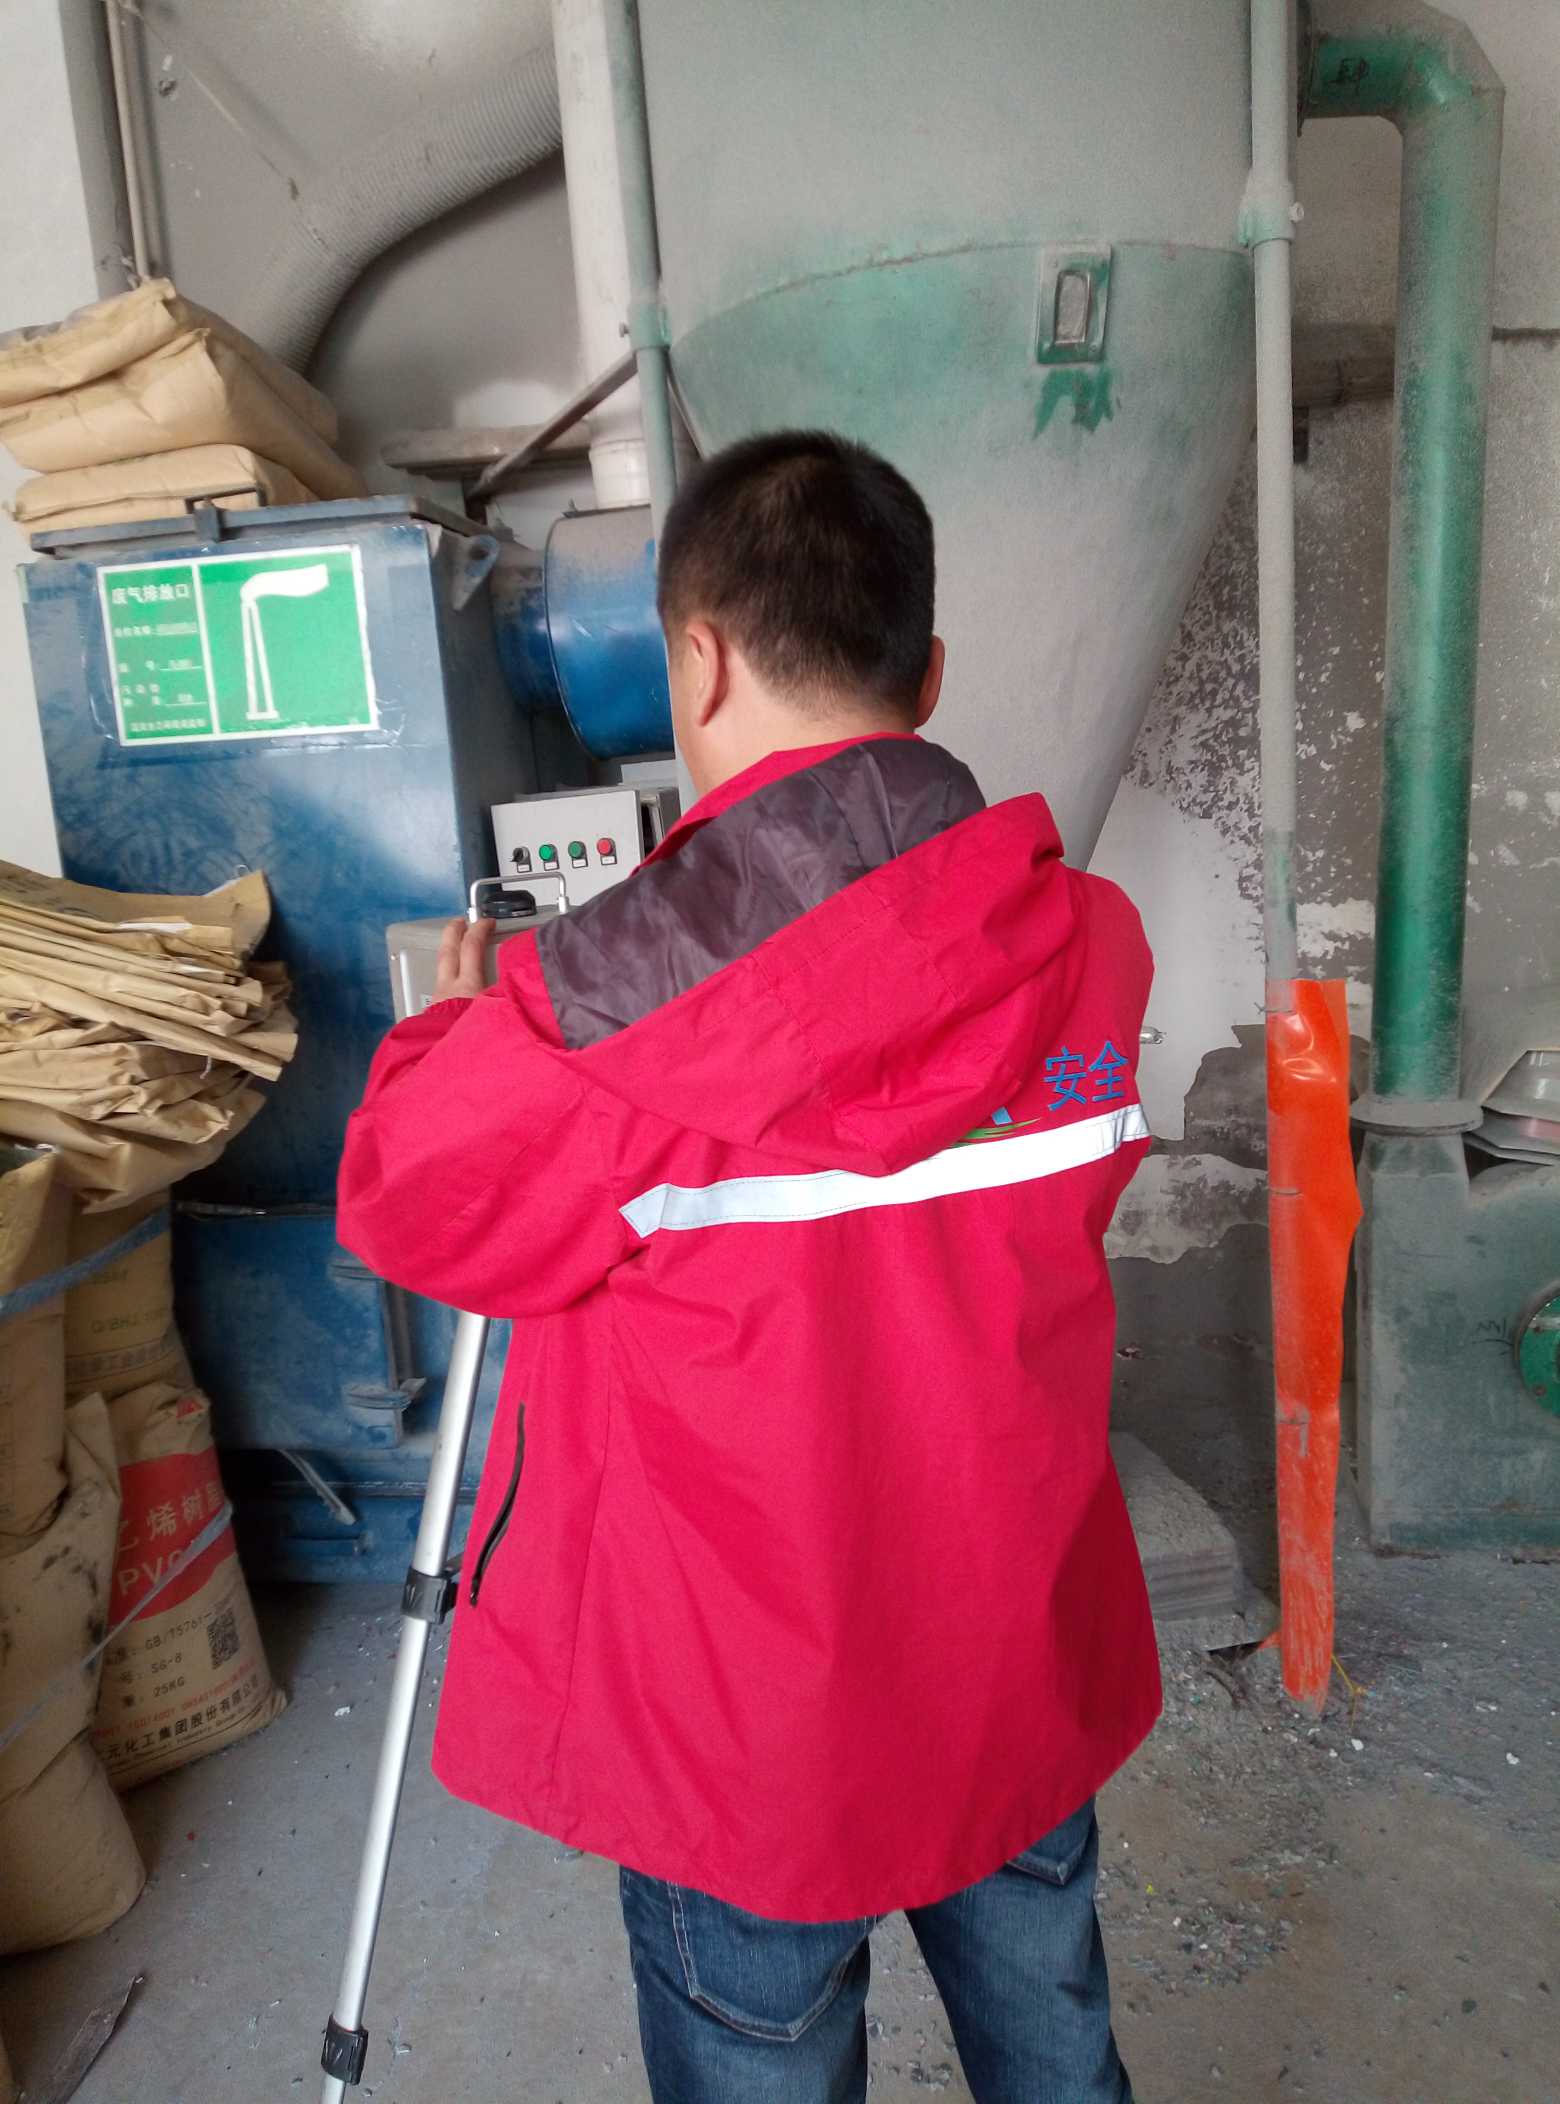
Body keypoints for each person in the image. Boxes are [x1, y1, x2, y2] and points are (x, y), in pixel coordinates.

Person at [337, 429, 1160, 2103]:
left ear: (696, 662)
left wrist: (461, 1030)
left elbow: (411, 1201)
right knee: (1056, 2042)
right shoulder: (1092, 952)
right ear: (927, 674)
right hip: (1011, 1654)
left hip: (746, 1731)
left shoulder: (587, 1024)